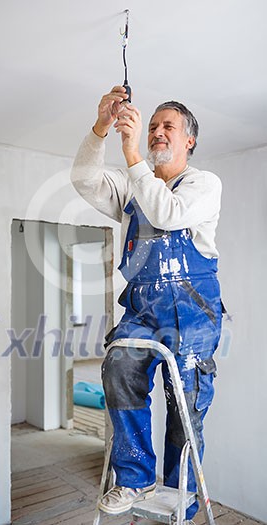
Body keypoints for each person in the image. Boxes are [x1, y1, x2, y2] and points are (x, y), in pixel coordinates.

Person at [70, 86, 223, 521]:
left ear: (188, 139)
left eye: (167, 126)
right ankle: (135, 478)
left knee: (185, 408)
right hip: (141, 310)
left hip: (193, 316)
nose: (157, 132)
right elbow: (83, 179)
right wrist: (102, 128)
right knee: (118, 366)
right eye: (152, 125)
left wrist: (134, 157)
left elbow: (169, 214)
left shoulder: (202, 183)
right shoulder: (131, 184)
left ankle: (181, 493)